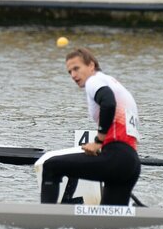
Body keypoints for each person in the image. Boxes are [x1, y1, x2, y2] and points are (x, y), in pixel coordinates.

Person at [39, 47, 141, 206]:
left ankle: (44, 219)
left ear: (91, 66)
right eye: (69, 72)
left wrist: (98, 141)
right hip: (130, 164)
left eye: (76, 68)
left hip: (116, 158)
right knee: (109, 225)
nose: (73, 75)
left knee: (51, 166)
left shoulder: (94, 81)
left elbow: (108, 103)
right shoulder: (114, 83)